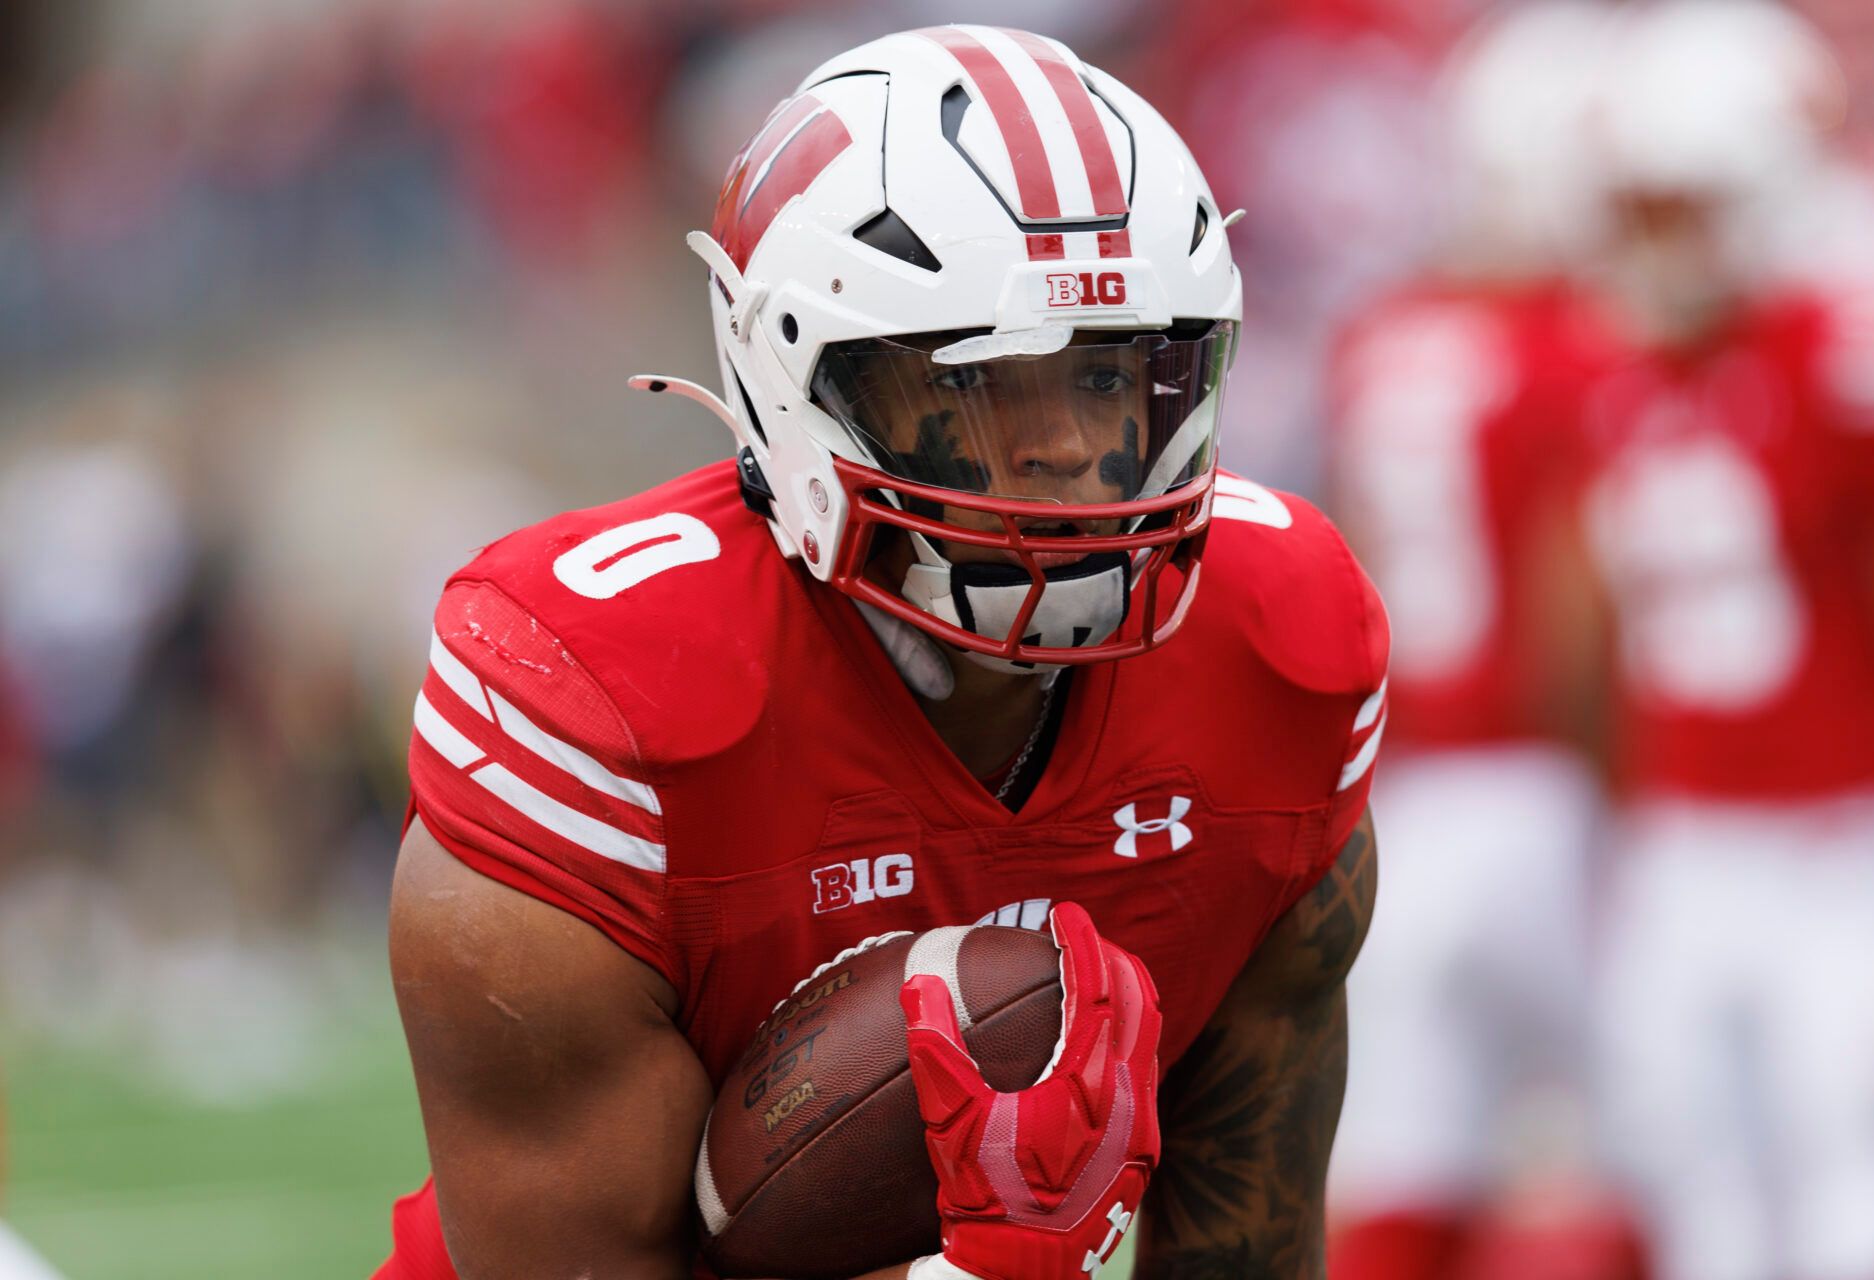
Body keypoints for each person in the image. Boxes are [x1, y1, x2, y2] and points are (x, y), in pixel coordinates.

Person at [376, 25, 1389, 1280]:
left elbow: (1248, 1249)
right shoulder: (594, 693)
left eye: (1112, 377)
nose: (1071, 449)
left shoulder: (1278, 643)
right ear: (799, 382)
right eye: (984, 386)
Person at [1575, 4, 1874, 1278]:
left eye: (1681, 205)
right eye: (1637, 206)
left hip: (1839, 847)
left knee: (1853, 1180)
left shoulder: (1850, 351)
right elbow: (1604, 651)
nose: (1649, 241)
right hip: (1682, 841)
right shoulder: (1628, 374)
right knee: (1702, 1195)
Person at [1320, 7, 1641, 1279]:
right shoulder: (1583, 343)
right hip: (1553, 787)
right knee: (1649, 1150)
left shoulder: (1381, 336)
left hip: (1412, 796)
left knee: (1405, 1161)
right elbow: (1584, 613)